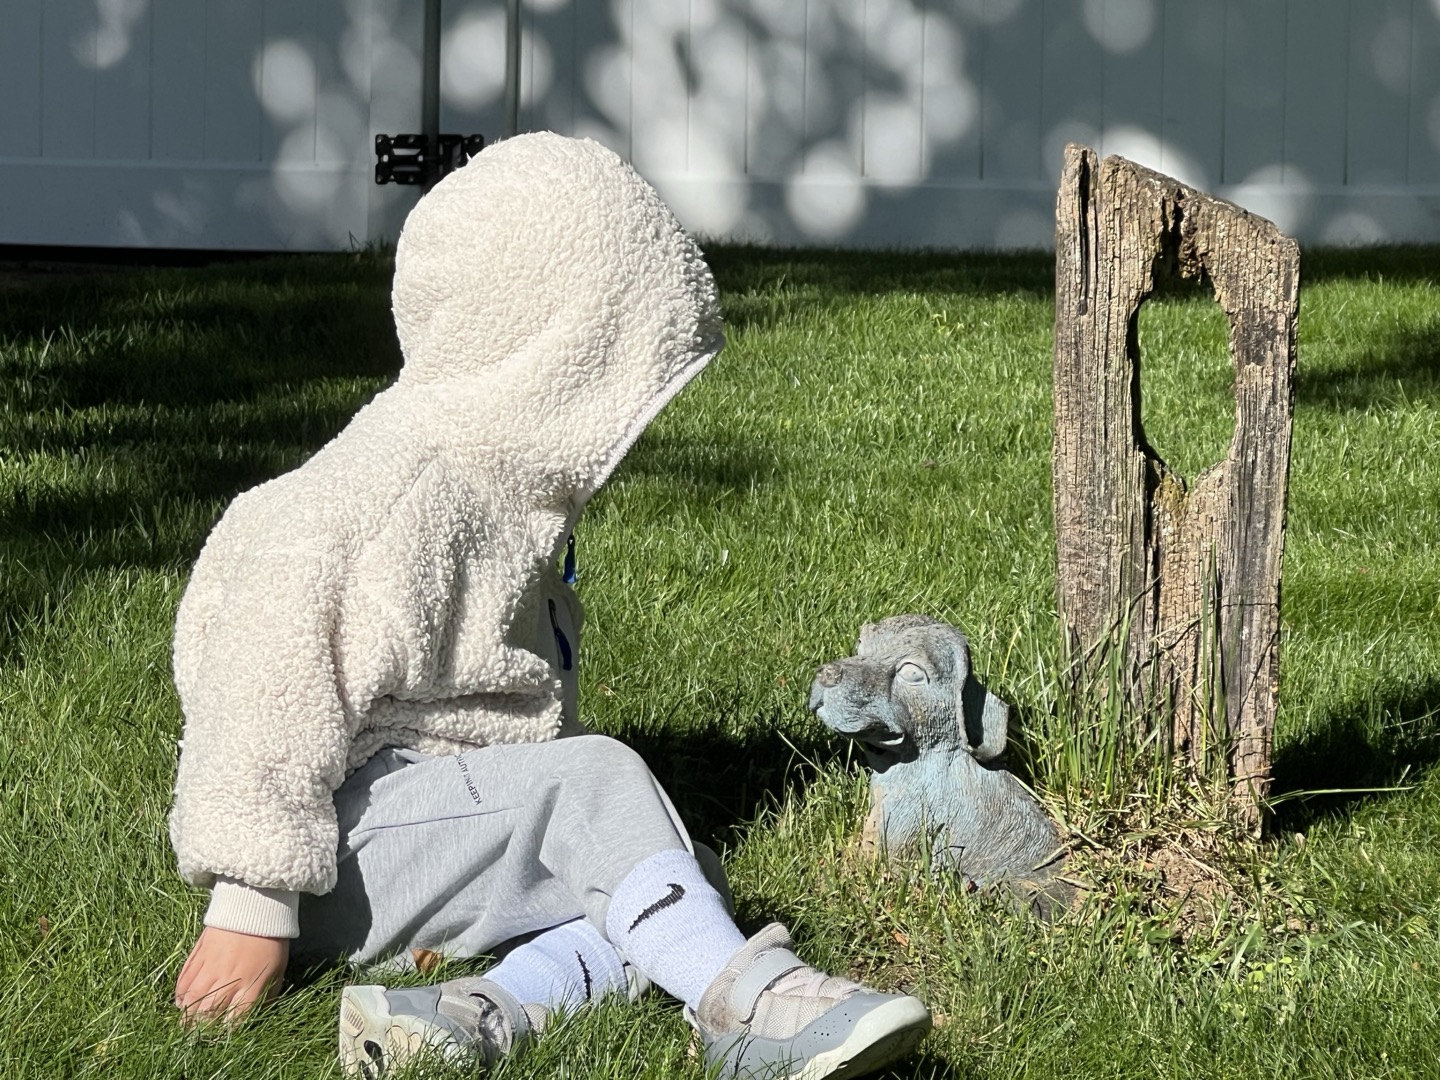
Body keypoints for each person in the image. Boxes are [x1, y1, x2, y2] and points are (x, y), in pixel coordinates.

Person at [168, 133, 931, 1079]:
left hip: (416, 833)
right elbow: (266, 669)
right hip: (331, 844)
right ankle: (751, 1008)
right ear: (548, 351)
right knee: (599, 783)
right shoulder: (388, 492)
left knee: (670, 873)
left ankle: (473, 1015)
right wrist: (253, 904)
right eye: (611, 357)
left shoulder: (501, 488)